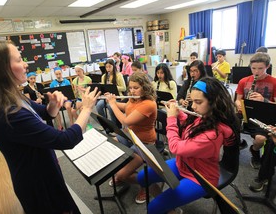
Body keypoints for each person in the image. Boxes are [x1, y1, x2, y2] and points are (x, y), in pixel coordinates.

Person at [0, 41, 100, 214]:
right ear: (2, 69)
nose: (26, 65)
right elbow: (66, 140)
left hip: (44, 172)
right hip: (38, 184)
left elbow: (45, 114)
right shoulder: (8, 113)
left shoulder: (14, 96)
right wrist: (86, 108)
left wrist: (53, 105)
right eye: (19, 60)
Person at [137, 77, 240, 214]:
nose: (192, 107)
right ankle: (169, 208)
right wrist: (179, 115)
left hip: (201, 176)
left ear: (214, 102)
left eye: (198, 102)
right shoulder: (203, 114)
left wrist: (171, 119)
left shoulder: (213, 134)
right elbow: (192, 127)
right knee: (142, 177)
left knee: (153, 208)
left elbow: (175, 147)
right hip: (184, 163)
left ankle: (164, 207)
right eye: (192, 101)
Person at [105, 72, 157, 204]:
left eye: (136, 88)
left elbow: (126, 121)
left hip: (144, 143)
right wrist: (114, 102)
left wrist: (112, 104)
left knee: (121, 174)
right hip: (129, 136)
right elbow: (127, 107)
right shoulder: (134, 99)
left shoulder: (148, 104)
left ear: (145, 87)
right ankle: (128, 172)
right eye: (130, 88)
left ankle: (145, 185)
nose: (132, 91)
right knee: (109, 147)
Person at [235, 52, 276, 169]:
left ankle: (254, 151)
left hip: (264, 117)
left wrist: (264, 100)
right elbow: (238, 100)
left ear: (267, 67)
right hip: (245, 114)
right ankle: (236, 146)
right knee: (228, 125)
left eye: (260, 68)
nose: (256, 72)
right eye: (253, 68)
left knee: (260, 139)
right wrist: (239, 105)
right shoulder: (244, 81)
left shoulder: (274, 82)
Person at [96, 59, 126, 126]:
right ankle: (105, 124)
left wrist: (113, 87)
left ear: (114, 66)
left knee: (110, 107)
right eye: (106, 67)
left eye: (110, 66)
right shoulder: (104, 76)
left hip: (116, 96)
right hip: (106, 96)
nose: (108, 69)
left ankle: (114, 126)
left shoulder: (119, 75)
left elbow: (124, 88)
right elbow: (102, 88)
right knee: (98, 106)